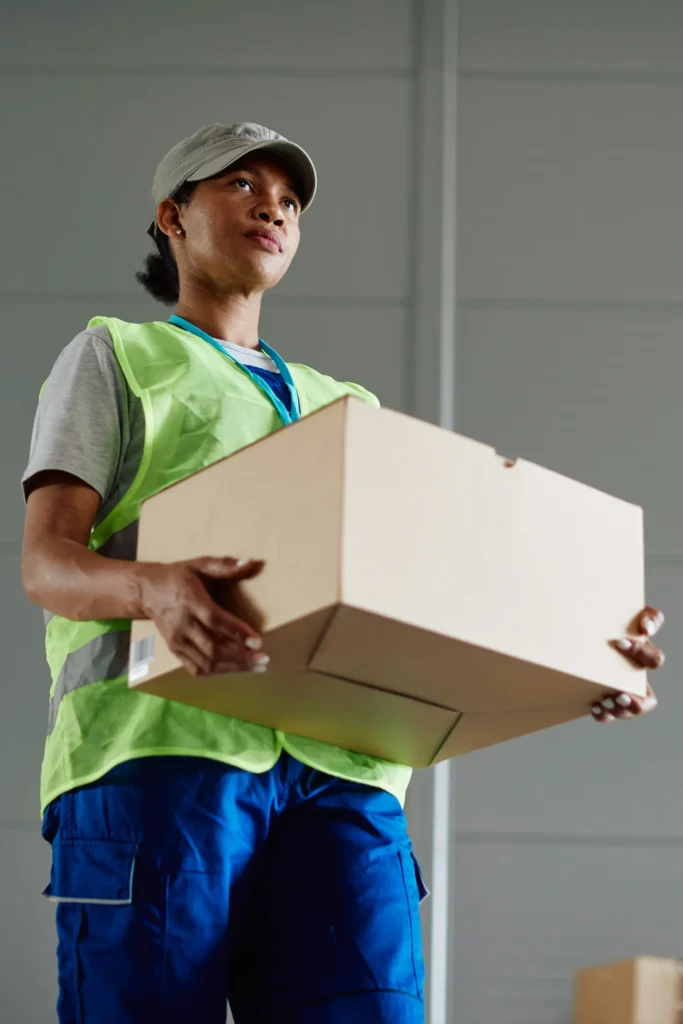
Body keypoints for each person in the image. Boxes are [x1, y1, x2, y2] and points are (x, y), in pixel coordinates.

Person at [21, 122, 666, 1024]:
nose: (271, 209)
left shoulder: (345, 408)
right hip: (161, 759)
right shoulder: (119, 359)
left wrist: (581, 655)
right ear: (171, 216)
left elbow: (439, 584)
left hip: (345, 768)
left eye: (287, 201)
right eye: (241, 186)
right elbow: (48, 564)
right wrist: (157, 588)